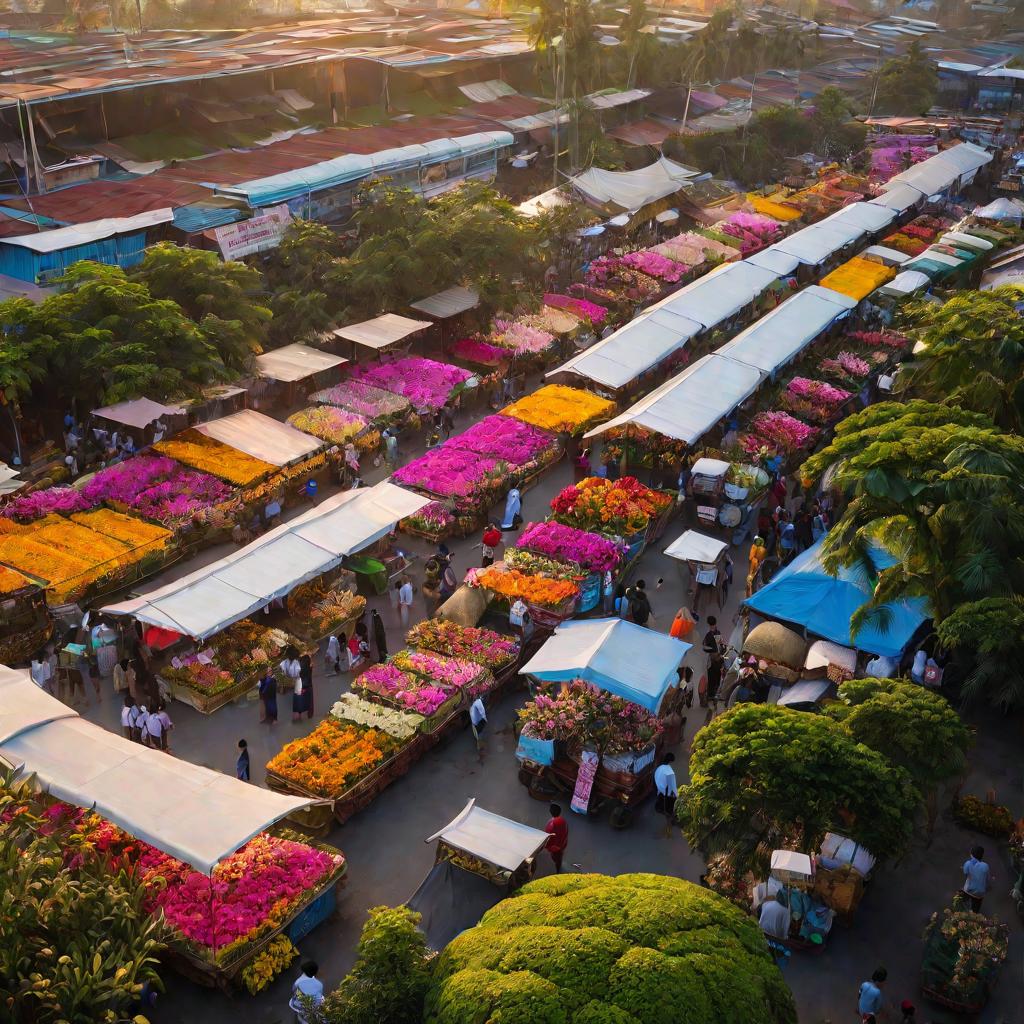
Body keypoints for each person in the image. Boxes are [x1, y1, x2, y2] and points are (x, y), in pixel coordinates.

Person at [962, 845, 991, 911]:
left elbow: (965, 874)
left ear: (971, 855)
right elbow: (987, 879)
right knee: (975, 909)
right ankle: (974, 913)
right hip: (980, 894)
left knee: (964, 904)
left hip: (969, 890)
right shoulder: (986, 866)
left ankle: (964, 909)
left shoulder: (968, 863)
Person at [544, 803, 569, 874]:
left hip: (555, 847)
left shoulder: (551, 824)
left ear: (551, 811)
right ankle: (558, 867)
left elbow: (549, 837)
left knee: (556, 859)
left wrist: (547, 846)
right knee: (559, 858)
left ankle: (558, 871)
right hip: (561, 845)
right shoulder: (563, 820)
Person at [654, 753, 677, 818]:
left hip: (658, 785)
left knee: (661, 798)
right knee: (669, 799)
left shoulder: (659, 766)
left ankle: (660, 808)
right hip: (663, 787)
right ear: (670, 761)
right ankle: (668, 812)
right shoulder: (669, 771)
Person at [298, 653, 314, 720]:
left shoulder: (300, 667)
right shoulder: (309, 668)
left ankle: (300, 713)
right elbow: (311, 664)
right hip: (308, 684)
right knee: (310, 700)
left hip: (301, 685)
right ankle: (310, 713)